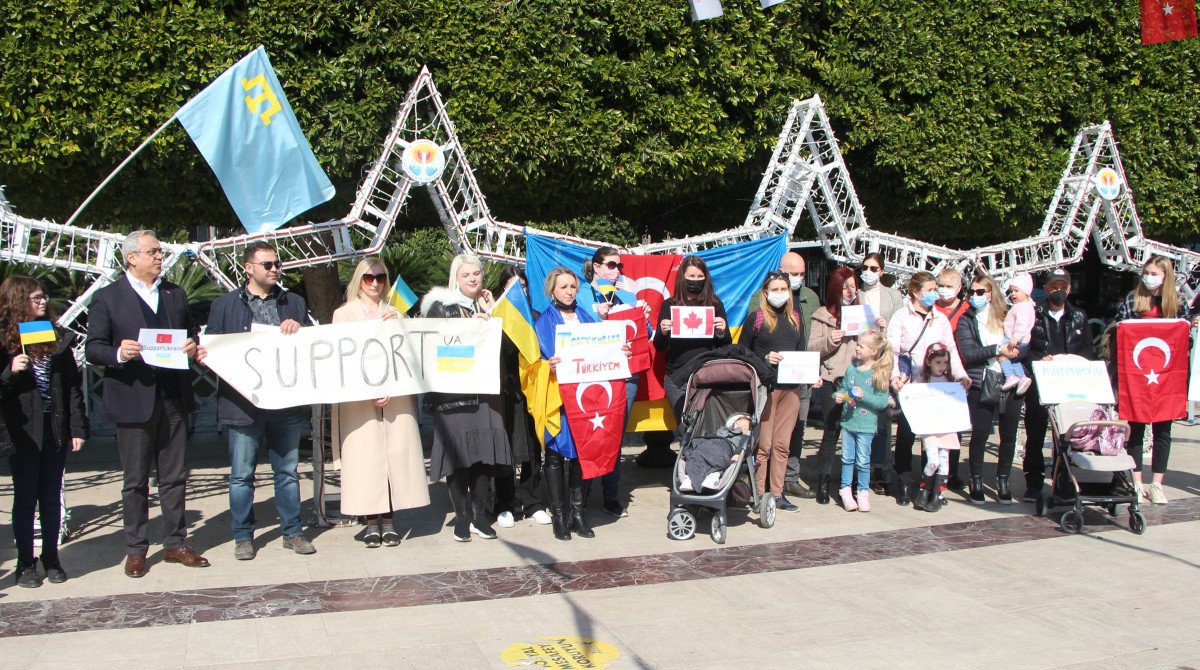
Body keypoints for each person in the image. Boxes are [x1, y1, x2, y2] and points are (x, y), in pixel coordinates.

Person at [84, 230, 208, 577]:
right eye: (152, 251)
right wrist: (118, 353)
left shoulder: (173, 293)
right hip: (133, 400)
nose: (159, 257)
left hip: (173, 399)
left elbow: (190, 334)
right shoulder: (109, 298)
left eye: (160, 251)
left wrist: (191, 345)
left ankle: (175, 543)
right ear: (131, 257)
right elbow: (93, 347)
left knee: (174, 477)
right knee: (135, 481)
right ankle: (137, 549)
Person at [196, 242, 317, 559]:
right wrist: (202, 355)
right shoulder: (224, 306)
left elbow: (309, 349)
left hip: (285, 404)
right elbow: (212, 351)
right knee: (241, 475)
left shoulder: (294, 302)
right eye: (267, 264)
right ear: (248, 268)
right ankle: (243, 537)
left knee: (287, 472)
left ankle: (292, 532)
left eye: (277, 263)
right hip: (242, 405)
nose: (275, 268)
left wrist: (300, 329)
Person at [330, 257, 430, 548]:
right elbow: (341, 359)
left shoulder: (395, 312)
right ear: (359, 281)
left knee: (395, 459)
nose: (375, 283)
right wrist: (368, 390)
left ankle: (389, 521)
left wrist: (401, 325)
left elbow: (408, 357)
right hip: (359, 401)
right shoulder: (344, 313)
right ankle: (371, 521)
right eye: (368, 278)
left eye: (381, 278)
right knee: (365, 461)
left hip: (395, 399)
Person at [0, 276, 87, 587]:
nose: (41, 301)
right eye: (34, 297)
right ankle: (25, 562)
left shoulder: (55, 336)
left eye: (43, 297)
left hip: (54, 428)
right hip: (22, 431)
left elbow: (72, 388)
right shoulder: (4, 340)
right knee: (25, 498)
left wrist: (78, 428)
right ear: (17, 300)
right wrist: (11, 372)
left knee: (51, 496)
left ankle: (51, 557)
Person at [422, 254, 513, 541]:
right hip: (454, 393)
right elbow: (434, 345)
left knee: (484, 455)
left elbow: (507, 348)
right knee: (459, 457)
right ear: (455, 278)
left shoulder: (486, 304)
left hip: (486, 392)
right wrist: (469, 327)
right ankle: (462, 517)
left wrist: (491, 313)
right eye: (466, 275)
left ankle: (479, 515)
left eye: (477, 274)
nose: (473, 279)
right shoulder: (439, 306)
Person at [1111, 256, 1198, 505]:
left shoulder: (1176, 304)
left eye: (1154, 273)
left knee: (1163, 431)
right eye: (1146, 272)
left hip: (1165, 377)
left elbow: (1184, 343)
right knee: (1136, 428)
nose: (1148, 277)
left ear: (1165, 276)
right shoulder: (1132, 300)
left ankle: (1157, 483)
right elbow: (1118, 331)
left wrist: (1188, 328)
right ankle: (1137, 482)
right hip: (1137, 376)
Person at [886, 271, 971, 505]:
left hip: (936, 387)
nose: (936, 293)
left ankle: (932, 485)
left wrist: (961, 375)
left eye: (936, 289)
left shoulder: (940, 319)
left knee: (934, 438)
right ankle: (903, 482)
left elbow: (951, 350)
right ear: (916, 292)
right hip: (911, 386)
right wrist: (894, 376)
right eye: (932, 289)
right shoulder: (901, 317)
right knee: (906, 435)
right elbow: (892, 350)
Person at [578, 247, 649, 519]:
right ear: (596, 267)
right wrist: (597, 315)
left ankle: (610, 495)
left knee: (614, 439)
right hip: (589, 375)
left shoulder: (629, 297)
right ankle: (581, 495)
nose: (617, 270)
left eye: (619, 266)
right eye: (610, 265)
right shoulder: (581, 295)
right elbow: (571, 330)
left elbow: (644, 336)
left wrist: (644, 317)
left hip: (624, 377)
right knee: (586, 435)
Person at [534, 267, 602, 540]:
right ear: (552, 290)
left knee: (581, 456)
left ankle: (578, 513)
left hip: (585, 397)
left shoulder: (588, 319)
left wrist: (617, 351)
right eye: (563, 287)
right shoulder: (542, 323)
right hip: (557, 397)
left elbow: (601, 350)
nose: (569, 292)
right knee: (554, 455)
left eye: (573, 287)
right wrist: (545, 367)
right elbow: (531, 363)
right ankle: (559, 517)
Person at [739, 272, 812, 512]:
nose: (780, 294)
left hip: (791, 389)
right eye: (775, 289)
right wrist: (764, 357)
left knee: (782, 445)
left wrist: (813, 374)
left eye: (784, 289)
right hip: (766, 389)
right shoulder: (756, 318)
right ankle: (759, 494)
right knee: (764, 445)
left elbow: (801, 350)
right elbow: (741, 353)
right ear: (766, 293)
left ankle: (778, 494)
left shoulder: (796, 318)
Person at [1021, 268, 1093, 501]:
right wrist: (1038, 361)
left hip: (1068, 385)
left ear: (1069, 289)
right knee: (1035, 433)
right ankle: (1033, 483)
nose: (1058, 291)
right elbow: (1025, 350)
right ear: (1046, 289)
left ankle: (1064, 480)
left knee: (1067, 436)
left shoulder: (1079, 316)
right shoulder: (1034, 315)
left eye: (1063, 287)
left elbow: (1087, 350)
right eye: (1054, 286)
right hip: (1041, 384)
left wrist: (1077, 363)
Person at [955, 272, 1023, 505]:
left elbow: (1023, 341)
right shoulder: (967, 319)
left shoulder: (1007, 315)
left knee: (1008, 434)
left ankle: (1003, 481)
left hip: (1010, 379)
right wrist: (997, 349)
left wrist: (1015, 350)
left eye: (980, 292)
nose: (974, 296)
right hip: (982, 380)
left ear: (991, 293)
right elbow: (968, 353)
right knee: (980, 434)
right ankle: (976, 480)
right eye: (971, 292)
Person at [493, 267, 551, 527]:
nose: (518, 290)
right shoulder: (493, 318)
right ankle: (504, 503)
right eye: (511, 285)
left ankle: (534, 502)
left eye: (523, 285)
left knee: (531, 447)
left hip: (531, 393)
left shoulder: (537, 318)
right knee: (503, 448)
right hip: (503, 394)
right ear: (502, 290)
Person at [808, 267, 862, 504]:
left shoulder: (863, 314)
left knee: (857, 431)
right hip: (833, 380)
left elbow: (877, 348)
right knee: (832, 431)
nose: (849, 291)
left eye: (852, 286)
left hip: (858, 381)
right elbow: (811, 349)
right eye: (844, 287)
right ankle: (823, 481)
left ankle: (851, 484)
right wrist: (831, 340)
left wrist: (876, 330)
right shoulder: (822, 314)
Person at [654, 256, 731, 422]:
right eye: (691, 276)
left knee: (705, 426)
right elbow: (659, 347)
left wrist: (721, 331)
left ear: (706, 278)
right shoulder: (670, 305)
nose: (696, 280)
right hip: (677, 378)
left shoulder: (715, 304)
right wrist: (663, 332)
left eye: (700, 277)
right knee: (685, 428)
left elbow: (726, 344)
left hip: (707, 375)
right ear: (682, 277)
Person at [857, 252, 904, 494]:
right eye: (865, 267)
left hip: (883, 361)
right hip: (860, 361)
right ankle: (859, 470)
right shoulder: (855, 293)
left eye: (874, 268)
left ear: (882, 271)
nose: (868, 271)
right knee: (859, 415)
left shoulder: (894, 296)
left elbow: (900, 328)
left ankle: (880, 471)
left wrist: (886, 326)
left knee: (883, 420)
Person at [834, 330, 892, 513]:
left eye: (861, 346)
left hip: (866, 425)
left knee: (863, 460)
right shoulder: (852, 369)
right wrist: (839, 396)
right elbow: (843, 389)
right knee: (847, 458)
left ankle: (863, 492)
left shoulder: (879, 372)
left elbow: (882, 402)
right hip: (848, 423)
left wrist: (863, 395)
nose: (857, 348)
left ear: (873, 351)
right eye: (857, 344)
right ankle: (845, 490)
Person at [780, 252, 822, 499]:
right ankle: (766, 479)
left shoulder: (810, 297)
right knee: (771, 429)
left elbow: (815, 336)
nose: (798, 279)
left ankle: (791, 478)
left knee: (799, 427)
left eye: (801, 274)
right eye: (793, 274)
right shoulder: (763, 296)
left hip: (803, 374)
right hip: (776, 376)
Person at [911, 344, 962, 512]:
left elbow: (958, 400)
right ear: (928, 362)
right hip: (930, 426)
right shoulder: (923, 380)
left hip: (946, 426)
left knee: (944, 461)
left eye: (945, 362)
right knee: (933, 460)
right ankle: (924, 489)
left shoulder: (950, 381)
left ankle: (938, 494)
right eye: (938, 362)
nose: (942, 366)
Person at [932, 267, 969, 489]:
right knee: (932, 426)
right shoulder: (932, 308)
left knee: (954, 426)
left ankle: (952, 471)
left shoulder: (966, 310)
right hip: (933, 374)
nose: (944, 291)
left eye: (948, 286)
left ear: (959, 288)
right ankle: (931, 470)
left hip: (956, 374)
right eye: (941, 286)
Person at [679, 412, 750, 493]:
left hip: (726, 447)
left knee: (719, 459)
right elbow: (711, 438)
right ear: (733, 423)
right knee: (696, 455)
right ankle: (689, 479)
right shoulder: (722, 430)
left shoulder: (743, 438)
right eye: (738, 423)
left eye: (745, 426)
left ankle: (713, 476)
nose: (740, 426)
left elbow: (741, 447)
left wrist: (737, 454)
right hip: (712, 443)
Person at [1000, 273, 1035, 395]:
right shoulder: (1023, 306)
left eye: (1016, 290)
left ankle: (1010, 376)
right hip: (1017, 338)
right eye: (1011, 291)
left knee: (1002, 354)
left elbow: (1022, 324)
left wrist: (1015, 337)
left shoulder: (1023, 307)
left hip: (1013, 338)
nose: (1013, 294)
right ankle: (1021, 378)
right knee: (1015, 360)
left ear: (1026, 292)